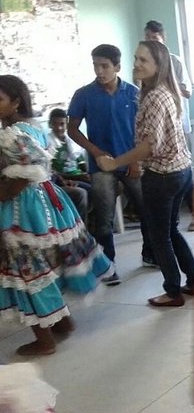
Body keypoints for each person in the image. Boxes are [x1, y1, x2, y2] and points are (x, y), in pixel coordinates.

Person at [0, 75, 111, 356]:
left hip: (25, 207)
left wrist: (1, 194)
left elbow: (23, 176)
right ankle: (62, 321)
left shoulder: (12, 133)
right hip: (46, 200)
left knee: (26, 268)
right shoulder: (31, 126)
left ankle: (44, 339)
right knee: (46, 263)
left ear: (16, 102)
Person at [97, 40, 194, 307]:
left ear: (159, 65)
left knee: (159, 236)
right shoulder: (164, 91)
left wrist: (115, 163)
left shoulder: (154, 97)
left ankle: (173, 292)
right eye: (136, 58)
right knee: (171, 231)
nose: (137, 64)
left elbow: (149, 146)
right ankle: (193, 282)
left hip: (163, 176)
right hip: (181, 171)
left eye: (144, 60)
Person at [68, 44, 153, 283]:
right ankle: (108, 265)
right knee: (104, 217)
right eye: (95, 66)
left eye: (104, 66)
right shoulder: (84, 94)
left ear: (117, 66)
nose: (99, 71)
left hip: (130, 162)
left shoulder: (133, 93)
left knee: (146, 209)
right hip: (101, 166)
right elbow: (72, 129)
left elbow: (143, 129)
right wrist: (95, 152)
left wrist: (136, 160)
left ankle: (150, 254)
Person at [144, 20, 194, 230]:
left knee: (183, 171)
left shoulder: (175, 61)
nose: (151, 42)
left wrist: (164, 86)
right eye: (148, 38)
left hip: (177, 125)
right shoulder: (145, 65)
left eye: (155, 38)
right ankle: (170, 220)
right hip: (156, 126)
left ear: (163, 40)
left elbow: (187, 91)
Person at [47, 108, 91, 223]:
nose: (59, 128)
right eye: (55, 124)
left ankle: (93, 222)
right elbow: (51, 172)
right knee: (87, 191)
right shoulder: (48, 145)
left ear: (66, 124)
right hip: (64, 179)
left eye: (62, 124)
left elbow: (81, 163)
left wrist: (87, 174)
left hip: (78, 176)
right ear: (50, 124)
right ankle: (80, 225)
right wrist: (77, 177)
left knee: (100, 187)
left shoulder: (72, 142)